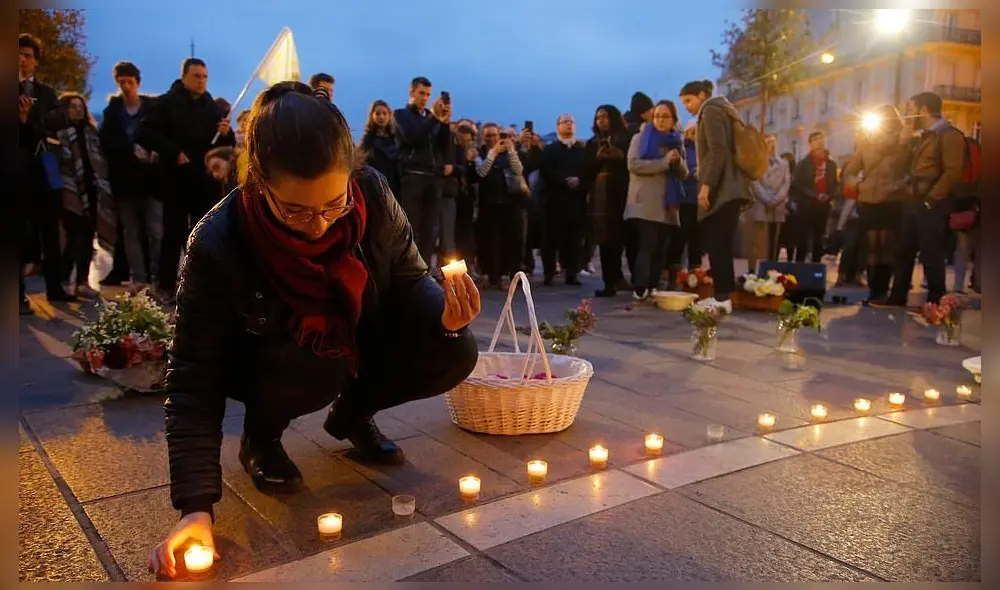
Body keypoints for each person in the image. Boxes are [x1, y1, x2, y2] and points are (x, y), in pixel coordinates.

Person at [148, 82, 480, 579]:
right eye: (297, 210)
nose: (320, 225)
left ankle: (351, 414)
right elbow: (194, 374)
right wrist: (195, 508)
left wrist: (445, 321)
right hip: (269, 357)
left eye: (333, 203)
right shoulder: (218, 240)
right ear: (258, 182)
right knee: (316, 364)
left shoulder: (371, 192)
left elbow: (409, 279)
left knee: (457, 350)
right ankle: (261, 438)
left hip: (354, 332)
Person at [138, 57, 235, 303]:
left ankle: (198, 284)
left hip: (204, 183)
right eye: (196, 76)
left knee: (202, 235)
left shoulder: (210, 106)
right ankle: (166, 285)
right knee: (173, 234)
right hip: (176, 180)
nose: (201, 81)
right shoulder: (166, 103)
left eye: (204, 76)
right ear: (184, 76)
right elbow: (144, 132)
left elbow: (223, 147)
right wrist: (172, 151)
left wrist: (226, 133)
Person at [875, 91, 966, 307]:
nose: (908, 114)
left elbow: (953, 171)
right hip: (913, 201)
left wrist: (932, 199)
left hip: (932, 203)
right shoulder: (922, 136)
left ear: (923, 110)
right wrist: (904, 143)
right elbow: (900, 167)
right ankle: (897, 297)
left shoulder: (949, 135)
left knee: (932, 253)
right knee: (904, 251)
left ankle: (935, 302)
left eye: (911, 109)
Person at [679, 79, 754, 313]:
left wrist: (706, 186)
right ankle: (723, 295)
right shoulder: (725, 109)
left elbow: (717, 150)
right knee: (720, 243)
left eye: (689, 101)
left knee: (717, 242)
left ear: (702, 94)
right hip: (732, 187)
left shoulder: (711, 109)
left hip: (723, 189)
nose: (687, 107)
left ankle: (722, 299)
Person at [19, 33, 75, 311]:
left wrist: (32, 117)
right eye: (18, 54)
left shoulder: (45, 93)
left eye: (28, 55)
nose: (22, 60)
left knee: (51, 231)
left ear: (35, 61)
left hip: (44, 170)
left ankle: (55, 288)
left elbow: (60, 118)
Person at [100, 61, 163, 292]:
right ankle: (138, 277)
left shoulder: (151, 108)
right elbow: (106, 140)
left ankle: (157, 276)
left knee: (155, 229)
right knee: (131, 231)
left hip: (150, 180)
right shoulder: (112, 111)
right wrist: (129, 149)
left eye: (130, 81)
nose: (126, 86)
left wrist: (156, 150)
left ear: (137, 83)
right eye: (122, 82)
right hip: (125, 180)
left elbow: (160, 133)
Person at [840, 105, 909, 301]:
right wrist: (858, 184)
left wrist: (899, 185)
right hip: (869, 199)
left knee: (886, 244)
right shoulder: (866, 143)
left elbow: (910, 170)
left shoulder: (904, 142)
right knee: (871, 245)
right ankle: (873, 290)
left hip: (892, 198)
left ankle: (882, 288)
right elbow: (849, 171)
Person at [53, 93, 117, 298]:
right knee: (74, 239)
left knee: (88, 238)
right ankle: (63, 280)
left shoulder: (91, 132)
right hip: (71, 191)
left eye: (81, 107)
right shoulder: (60, 134)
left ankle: (82, 281)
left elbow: (99, 161)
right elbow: (59, 164)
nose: (78, 110)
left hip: (92, 190)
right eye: (73, 107)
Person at [624, 100, 687, 301]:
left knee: (661, 247)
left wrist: (676, 162)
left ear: (673, 120)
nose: (660, 120)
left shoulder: (677, 141)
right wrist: (664, 162)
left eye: (665, 116)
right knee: (648, 244)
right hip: (644, 202)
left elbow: (684, 174)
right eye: (657, 115)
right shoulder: (640, 138)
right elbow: (634, 165)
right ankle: (640, 286)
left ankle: (653, 285)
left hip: (668, 204)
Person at [394, 77, 452, 266]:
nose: (425, 98)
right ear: (411, 92)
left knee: (430, 230)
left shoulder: (431, 116)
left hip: (433, 178)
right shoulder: (400, 115)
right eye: (421, 93)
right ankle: (406, 268)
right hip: (413, 176)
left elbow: (442, 147)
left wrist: (444, 123)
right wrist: (433, 118)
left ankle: (424, 269)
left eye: (428, 94)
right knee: (411, 226)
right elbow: (412, 137)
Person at [583, 105, 630, 297]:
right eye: (598, 117)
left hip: (623, 194)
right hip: (601, 199)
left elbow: (632, 163)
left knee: (624, 239)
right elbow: (585, 171)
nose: (601, 120)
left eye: (605, 116)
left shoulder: (626, 139)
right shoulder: (591, 143)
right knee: (605, 241)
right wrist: (597, 159)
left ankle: (623, 278)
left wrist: (621, 156)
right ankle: (609, 282)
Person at [472, 124, 526, 288]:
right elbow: (481, 172)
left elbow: (518, 170)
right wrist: (492, 154)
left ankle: (508, 274)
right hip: (488, 204)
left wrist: (511, 151)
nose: (492, 138)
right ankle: (492, 275)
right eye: (488, 135)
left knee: (510, 242)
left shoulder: (509, 154)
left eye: (495, 135)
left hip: (509, 204)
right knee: (491, 243)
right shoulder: (480, 153)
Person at [540, 113, 587, 286]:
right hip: (554, 200)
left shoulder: (582, 150)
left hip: (575, 201)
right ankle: (549, 273)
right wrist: (563, 181)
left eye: (571, 122)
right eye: (565, 122)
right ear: (558, 126)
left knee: (573, 240)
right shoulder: (550, 150)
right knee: (551, 240)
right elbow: (546, 171)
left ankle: (571, 272)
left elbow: (587, 170)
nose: (569, 125)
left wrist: (579, 181)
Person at [790, 131, 838, 263]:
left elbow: (834, 184)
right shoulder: (803, 164)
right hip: (806, 205)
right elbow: (798, 184)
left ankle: (816, 268)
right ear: (810, 144)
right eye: (816, 140)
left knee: (819, 239)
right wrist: (815, 195)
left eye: (821, 139)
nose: (819, 142)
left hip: (823, 207)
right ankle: (799, 268)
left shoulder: (831, 164)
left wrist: (829, 195)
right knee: (803, 240)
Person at [746, 134, 790, 272]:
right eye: (768, 142)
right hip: (760, 205)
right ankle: (752, 271)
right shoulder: (755, 162)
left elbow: (786, 183)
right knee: (756, 242)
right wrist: (766, 199)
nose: (771, 145)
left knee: (774, 242)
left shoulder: (783, 164)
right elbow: (754, 181)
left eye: (773, 142)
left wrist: (776, 199)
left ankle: (772, 270)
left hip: (777, 208)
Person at [666, 118, 702, 275]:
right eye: (692, 132)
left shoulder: (702, 149)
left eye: (697, 132)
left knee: (697, 235)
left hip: (698, 198)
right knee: (681, 234)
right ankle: (674, 267)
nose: (694, 135)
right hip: (683, 196)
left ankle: (696, 268)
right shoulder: (682, 148)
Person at [359, 99, 401, 197]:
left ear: (389, 115)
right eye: (378, 114)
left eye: (384, 113)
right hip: (376, 186)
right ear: (372, 116)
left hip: (395, 185)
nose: (381, 117)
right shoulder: (368, 139)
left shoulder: (396, 138)